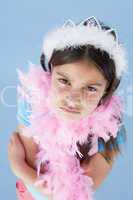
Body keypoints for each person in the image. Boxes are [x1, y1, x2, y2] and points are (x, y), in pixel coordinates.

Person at [8, 16, 128, 200]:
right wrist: (28, 173)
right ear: (50, 74)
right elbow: (36, 184)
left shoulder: (111, 131)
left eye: (90, 88)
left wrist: (19, 167)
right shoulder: (31, 106)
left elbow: (72, 197)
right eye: (64, 81)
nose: (73, 99)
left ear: (105, 92)